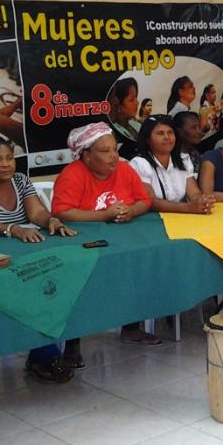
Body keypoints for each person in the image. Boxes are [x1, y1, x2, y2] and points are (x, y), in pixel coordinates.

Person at [0, 137, 78, 383]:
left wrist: (50, 221)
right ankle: (45, 355)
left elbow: (36, 213)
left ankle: (44, 352)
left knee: (57, 278)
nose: (6, 164)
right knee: (32, 288)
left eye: (9, 158)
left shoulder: (21, 180)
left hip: (22, 252)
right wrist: (13, 230)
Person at [51, 122, 155, 354]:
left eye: (114, 150)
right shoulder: (72, 175)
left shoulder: (125, 170)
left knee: (139, 260)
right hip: (82, 241)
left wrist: (132, 211)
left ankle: (131, 327)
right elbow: (61, 212)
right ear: (86, 156)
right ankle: (72, 344)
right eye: (105, 151)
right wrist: (104, 215)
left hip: (124, 239)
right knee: (79, 274)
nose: (113, 157)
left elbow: (144, 200)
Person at [130, 115, 215, 214]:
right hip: (152, 220)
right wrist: (188, 208)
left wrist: (200, 201)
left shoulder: (183, 160)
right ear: (147, 140)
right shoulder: (140, 163)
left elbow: (194, 193)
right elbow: (150, 201)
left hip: (177, 219)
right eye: (160, 133)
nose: (167, 137)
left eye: (170, 132)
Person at [107, 77, 141, 159]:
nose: (137, 103)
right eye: (131, 99)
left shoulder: (137, 125)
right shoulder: (111, 133)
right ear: (118, 104)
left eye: (136, 97)